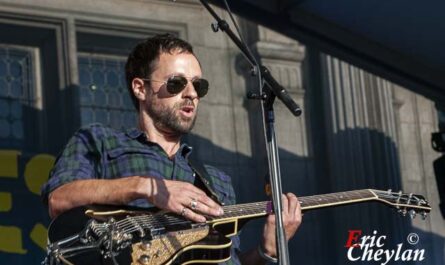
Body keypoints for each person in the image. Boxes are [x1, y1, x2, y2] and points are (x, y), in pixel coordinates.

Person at [41, 34, 302, 265]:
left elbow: (224, 260)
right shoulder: (100, 141)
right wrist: (147, 187)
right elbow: (59, 199)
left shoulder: (218, 183)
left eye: (198, 85)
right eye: (177, 83)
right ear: (140, 88)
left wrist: (265, 253)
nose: (191, 94)